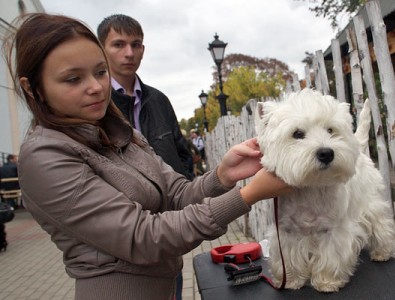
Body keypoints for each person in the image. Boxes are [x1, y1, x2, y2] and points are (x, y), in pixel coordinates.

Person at [3, 13, 292, 300]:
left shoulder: (119, 132)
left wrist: (223, 175)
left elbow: (176, 194)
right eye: (73, 79)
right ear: (33, 88)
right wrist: (248, 195)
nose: (95, 87)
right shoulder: (45, 156)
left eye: (100, 72)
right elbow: (143, 237)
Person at [97, 14, 193, 181]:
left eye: (136, 45)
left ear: (143, 50)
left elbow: (182, 154)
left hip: (177, 202)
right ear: (101, 49)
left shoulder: (159, 100)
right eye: (118, 45)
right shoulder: (95, 103)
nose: (129, 53)